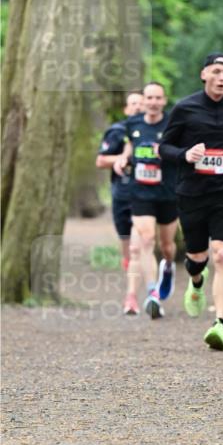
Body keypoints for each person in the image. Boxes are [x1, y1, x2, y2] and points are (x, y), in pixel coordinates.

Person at [159, 53, 223, 350]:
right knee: (197, 259)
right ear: (204, 75)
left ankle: (221, 324)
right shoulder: (185, 108)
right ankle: (196, 282)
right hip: (192, 193)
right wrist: (185, 155)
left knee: (222, 255)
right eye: (216, 71)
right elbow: (164, 147)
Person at [113, 81, 178, 319]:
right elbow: (130, 146)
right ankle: (153, 294)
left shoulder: (172, 122)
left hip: (167, 192)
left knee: (167, 247)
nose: (152, 102)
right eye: (148, 98)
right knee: (147, 240)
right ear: (144, 101)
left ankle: (168, 267)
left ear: (163, 100)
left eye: (157, 98)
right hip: (140, 192)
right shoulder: (133, 124)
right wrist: (122, 158)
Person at [95, 89, 144, 315]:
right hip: (122, 196)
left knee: (137, 247)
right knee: (128, 249)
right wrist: (123, 158)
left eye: (139, 103)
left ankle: (133, 296)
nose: (136, 107)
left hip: (147, 197)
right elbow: (101, 160)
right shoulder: (116, 131)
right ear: (126, 109)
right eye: (132, 104)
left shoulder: (154, 131)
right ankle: (132, 279)